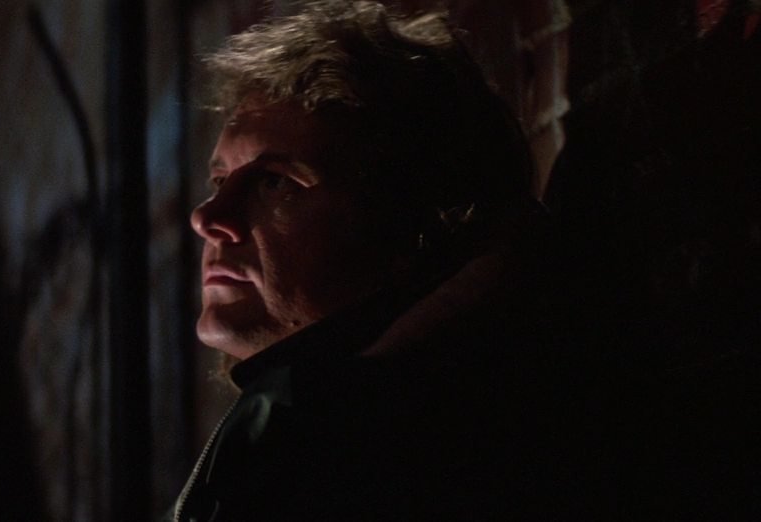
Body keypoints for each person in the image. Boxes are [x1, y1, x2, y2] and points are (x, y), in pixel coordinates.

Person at [169, 2, 565, 519]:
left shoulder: (413, 451)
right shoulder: (312, 425)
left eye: (275, 183)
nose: (208, 216)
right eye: (221, 179)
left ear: (412, 223)